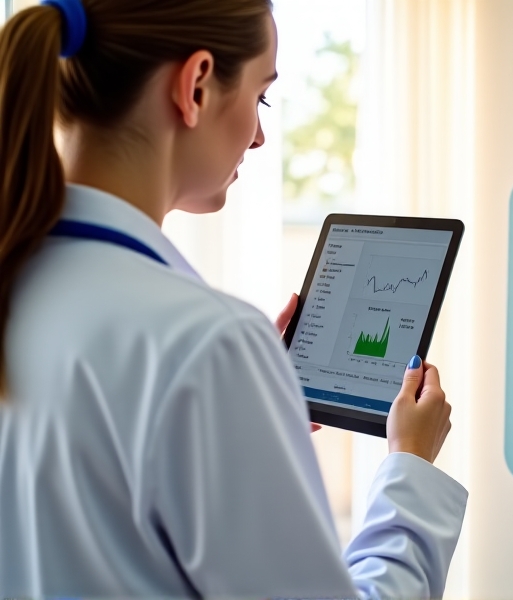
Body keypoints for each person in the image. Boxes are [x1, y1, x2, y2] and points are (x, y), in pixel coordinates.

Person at [0, 0, 467, 597]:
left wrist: (245, 410)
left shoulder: (27, 284)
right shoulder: (207, 345)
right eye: (261, 96)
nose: (261, 134)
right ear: (194, 86)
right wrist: (410, 466)